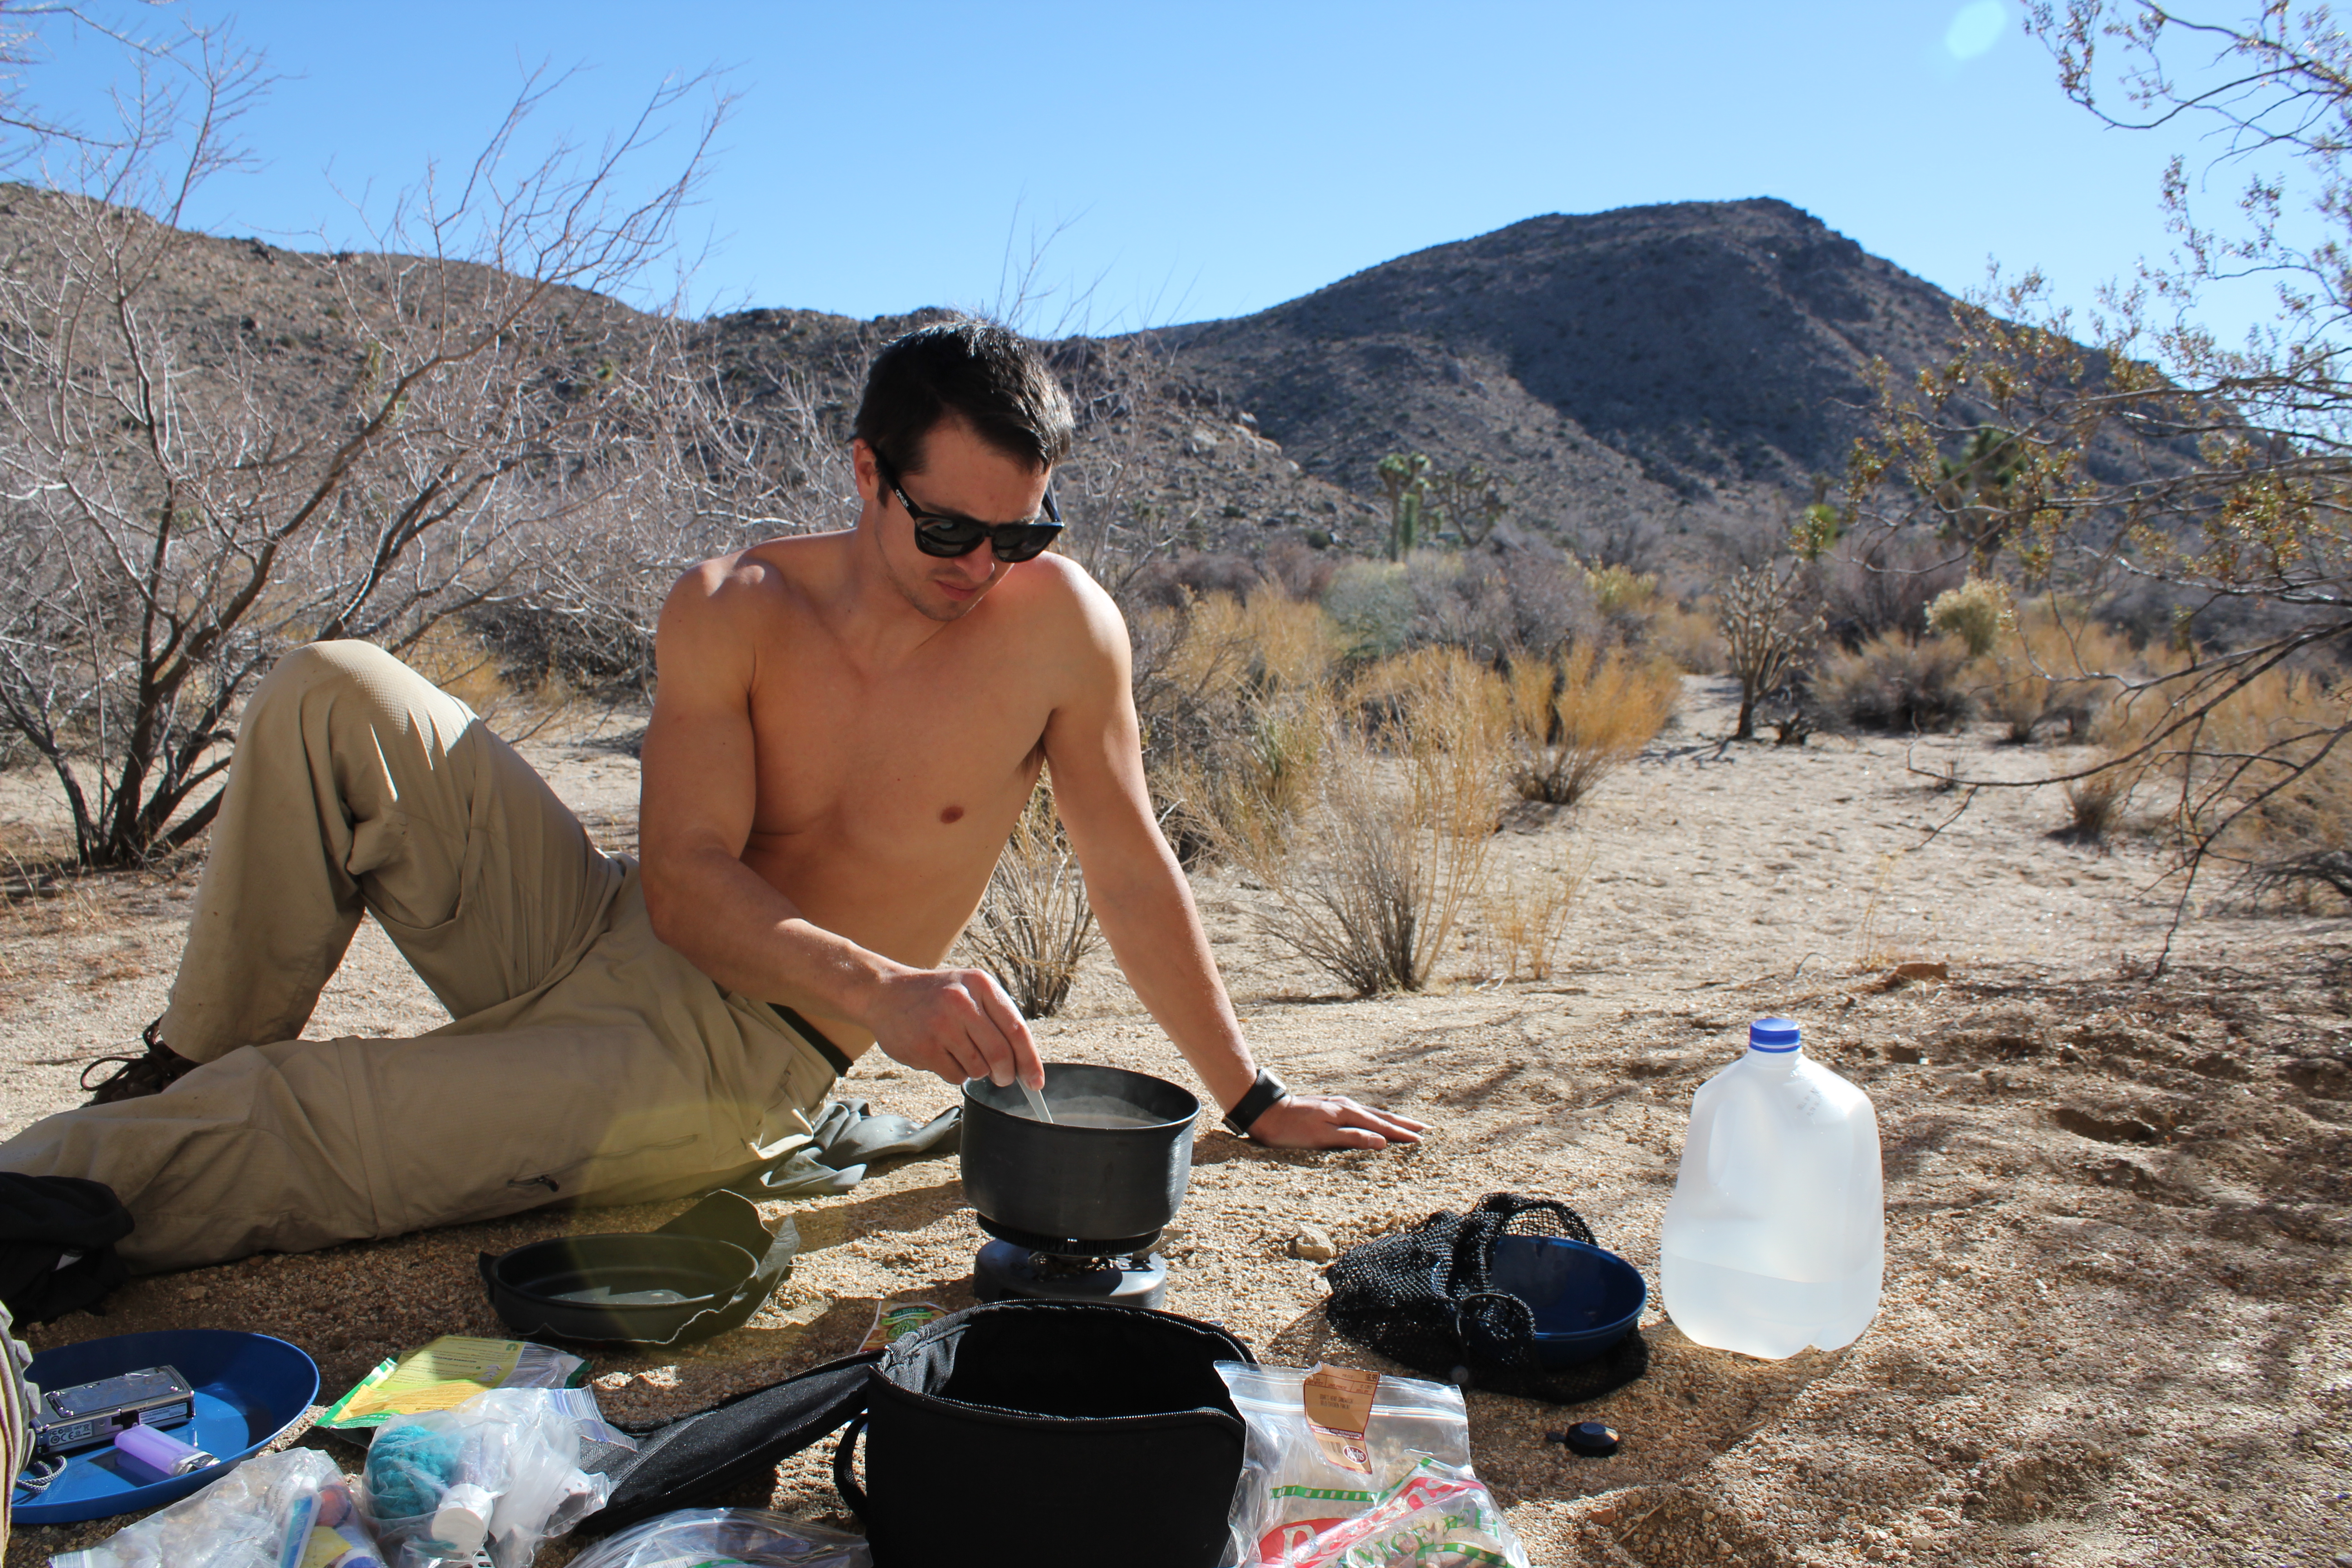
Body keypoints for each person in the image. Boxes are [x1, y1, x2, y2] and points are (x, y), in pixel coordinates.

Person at [0, 318, 1423, 1273]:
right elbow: (681, 880)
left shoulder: (1060, 631)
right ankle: (179, 1067)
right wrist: (891, 988)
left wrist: (1253, 1094)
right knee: (336, 690)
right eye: (947, 528)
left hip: (731, 1060)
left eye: (1021, 532)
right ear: (866, 475)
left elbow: (1126, 871)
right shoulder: (733, 604)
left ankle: (57, 1188)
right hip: (608, 935)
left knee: (300, 1117)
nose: (984, 566)